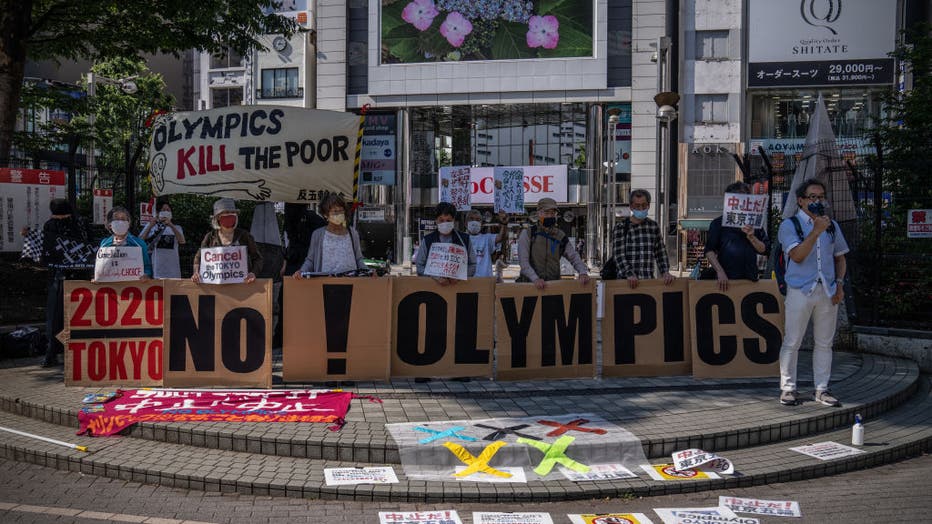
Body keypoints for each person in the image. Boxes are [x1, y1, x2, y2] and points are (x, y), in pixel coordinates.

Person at [778, 179, 849, 407]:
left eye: (821, 197)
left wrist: (839, 283)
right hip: (800, 290)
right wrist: (815, 231)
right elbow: (797, 256)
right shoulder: (790, 225)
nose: (818, 201)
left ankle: (822, 388)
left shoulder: (832, 226)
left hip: (827, 290)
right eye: (812, 197)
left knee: (824, 343)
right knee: (792, 341)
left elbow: (840, 257)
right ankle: (788, 388)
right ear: (801, 200)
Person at [40, 199, 94, 367]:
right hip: (80, 275)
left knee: (56, 315)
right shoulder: (81, 223)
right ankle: (79, 352)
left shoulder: (51, 225)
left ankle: (53, 351)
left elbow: (46, 248)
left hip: (59, 275)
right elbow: (90, 244)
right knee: (80, 314)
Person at [704, 182, 770, 291]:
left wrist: (752, 237)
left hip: (750, 279)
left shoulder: (754, 223)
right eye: (737, 199)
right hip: (726, 281)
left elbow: (765, 249)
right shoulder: (718, 223)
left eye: (745, 198)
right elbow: (709, 250)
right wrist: (720, 272)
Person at [517, 197, 589, 289]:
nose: (550, 216)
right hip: (530, 286)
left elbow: (573, 256)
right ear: (539, 213)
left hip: (553, 286)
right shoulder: (529, 233)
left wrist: (582, 272)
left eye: (553, 213)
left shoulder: (559, 235)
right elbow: (523, 263)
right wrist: (535, 279)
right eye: (546, 213)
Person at [293, 193, 368, 277]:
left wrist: (368, 272)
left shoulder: (352, 233)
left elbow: (359, 259)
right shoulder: (318, 234)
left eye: (341, 211)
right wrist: (301, 271)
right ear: (326, 215)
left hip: (351, 282)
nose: (339, 214)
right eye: (335, 211)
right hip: (326, 283)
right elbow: (310, 260)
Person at [613, 189, 675, 289]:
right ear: (631, 207)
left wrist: (665, 272)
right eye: (637, 206)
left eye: (644, 205)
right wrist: (629, 274)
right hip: (626, 283)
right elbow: (619, 255)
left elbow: (660, 252)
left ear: (648, 206)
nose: (641, 208)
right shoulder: (621, 227)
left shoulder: (653, 226)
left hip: (648, 282)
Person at [192, 198, 261, 284]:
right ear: (217, 218)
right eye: (226, 213)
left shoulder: (245, 236)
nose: (229, 215)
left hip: (242, 285)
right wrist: (196, 273)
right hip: (215, 287)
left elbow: (258, 258)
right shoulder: (210, 237)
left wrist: (253, 273)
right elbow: (198, 258)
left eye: (232, 213)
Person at [415, 202, 476, 284]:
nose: (445, 223)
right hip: (433, 289)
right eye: (441, 220)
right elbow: (419, 266)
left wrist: (460, 277)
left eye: (448, 220)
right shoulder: (427, 240)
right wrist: (435, 277)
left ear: (453, 220)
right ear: (436, 221)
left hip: (458, 288)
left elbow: (473, 264)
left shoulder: (465, 239)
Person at [99, 206, 153, 280]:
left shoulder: (139, 244)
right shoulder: (104, 244)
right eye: (117, 219)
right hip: (111, 287)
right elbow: (100, 267)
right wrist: (98, 278)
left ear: (128, 223)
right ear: (110, 224)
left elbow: (147, 267)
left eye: (123, 219)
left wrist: (146, 275)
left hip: (132, 287)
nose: (120, 222)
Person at [139, 199, 185, 278]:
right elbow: (140, 240)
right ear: (158, 213)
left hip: (173, 269)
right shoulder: (152, 226)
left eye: (168, 210)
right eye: (163, 210)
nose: (166, 211)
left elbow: (182, 241)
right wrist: (150, 226)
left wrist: (171, 225)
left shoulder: (177, 227)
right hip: (157, 268)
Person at [465, 208, 507, 278]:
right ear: (466, 223)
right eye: (471, 219)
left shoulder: (487, 238)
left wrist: (504, 224)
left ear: (481, 224)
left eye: (478, 220)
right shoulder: (461, 238)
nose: (474, 222)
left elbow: (501, 237)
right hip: (467, 281)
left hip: (485, 281)